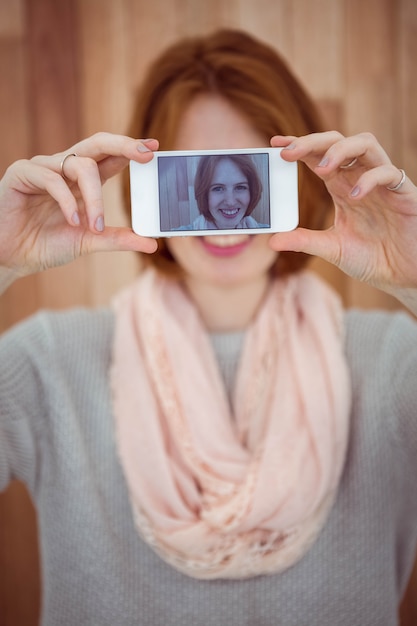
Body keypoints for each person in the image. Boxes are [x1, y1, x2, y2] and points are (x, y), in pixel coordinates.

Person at [0, 27, 417, 626]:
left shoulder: (394, 363)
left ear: (291, 183)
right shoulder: (49, 364)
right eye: (204, 180)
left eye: (247, 178)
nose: (227, 207)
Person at [175, 153, 269, 230]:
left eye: (240, 187)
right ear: (204, 194)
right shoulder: (177, 239)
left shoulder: (270, 234)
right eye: (218, 188)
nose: (230, 202)